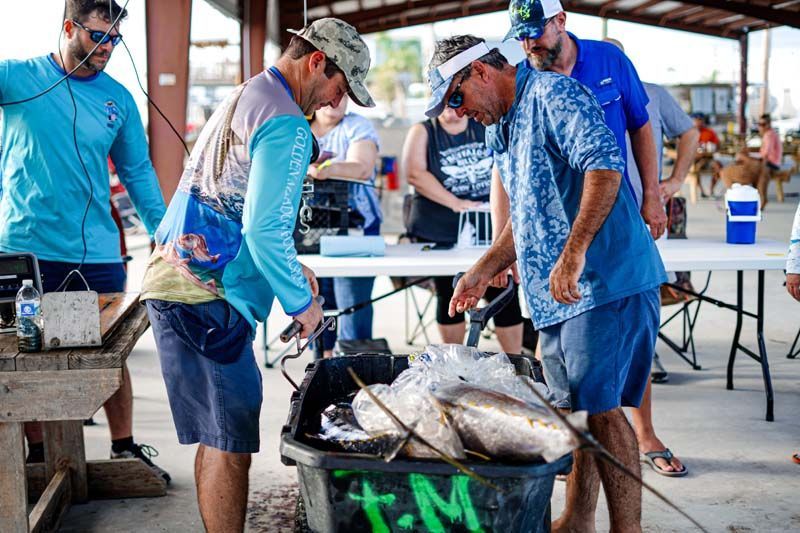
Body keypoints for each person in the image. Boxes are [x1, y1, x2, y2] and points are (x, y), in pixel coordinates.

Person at [140, 18, 373, 532]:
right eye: (341, 87)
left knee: (218, 437)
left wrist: (294, 267)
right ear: (317, 61)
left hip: (177, 282)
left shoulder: (251, 92)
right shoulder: (288, 122)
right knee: (232, 443)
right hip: (206, 295)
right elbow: (264, 228)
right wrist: (302, 305)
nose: (338, 103)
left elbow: (244, 208)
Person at [426, 34, 666, 532]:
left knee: (601, 410)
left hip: (603, 279)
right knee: (575, 407)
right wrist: (485, 267)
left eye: (457, 97)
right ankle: (578, 519)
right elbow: (528, 211)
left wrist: (574, 252)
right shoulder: (501, 125)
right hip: (559, 294)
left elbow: (605, 167)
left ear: (481, 73)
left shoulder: (555, 95)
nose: (460, 111)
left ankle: (629, 529)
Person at [0, 0, 169, 482]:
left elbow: (138, 171)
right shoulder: (17, 78)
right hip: (26, 249)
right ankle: (37, 456)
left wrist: (163, 234)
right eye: (98, 36)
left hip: (97, 251)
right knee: (29, 359)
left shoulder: (118, 98)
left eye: (115, 38)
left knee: (108, 356)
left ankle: (123, 447)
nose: (108, 48)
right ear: (69, 27)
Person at [605, 38, 698, 477]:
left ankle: (644, 434)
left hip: (641, 224)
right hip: (586, 229)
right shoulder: (567, 90)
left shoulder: (652, 94)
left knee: (639, 327)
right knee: (580, 341)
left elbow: (688, 132)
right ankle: (581, 442)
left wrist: (672, 182)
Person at [401, 106, 524, 352]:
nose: (451, 110)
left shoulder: (482, 124)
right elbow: (414, 173)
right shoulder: (424, 131)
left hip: (489, 228)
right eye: (444, 105)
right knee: (450, 291)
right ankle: (457, 357)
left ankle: (515, 360)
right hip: (442, 231)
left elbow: (502, 167)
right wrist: (457, 203)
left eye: (455, 103)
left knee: (503, 293)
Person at [308, 97, 381, 356]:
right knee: (316, 304)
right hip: (308, 233)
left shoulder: (358, 125)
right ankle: (321, 368)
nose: (334, 101)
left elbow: (362, 167)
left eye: (343, 95)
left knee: (353, 308)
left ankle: (352, 375)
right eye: (330, 93)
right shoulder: (299, 126)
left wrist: (325, 169)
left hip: (356, 230)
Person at [710, 115, 782, 207]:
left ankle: (735, 196)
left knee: (739, 158)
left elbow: (765, 156)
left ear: (769, 124)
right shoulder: (769, 134)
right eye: (759, 124)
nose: (760, 127)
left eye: (763, 124)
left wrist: (747, 157)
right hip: (769, 163)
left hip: (770, 164)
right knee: (740, 158)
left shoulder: (769, 135)